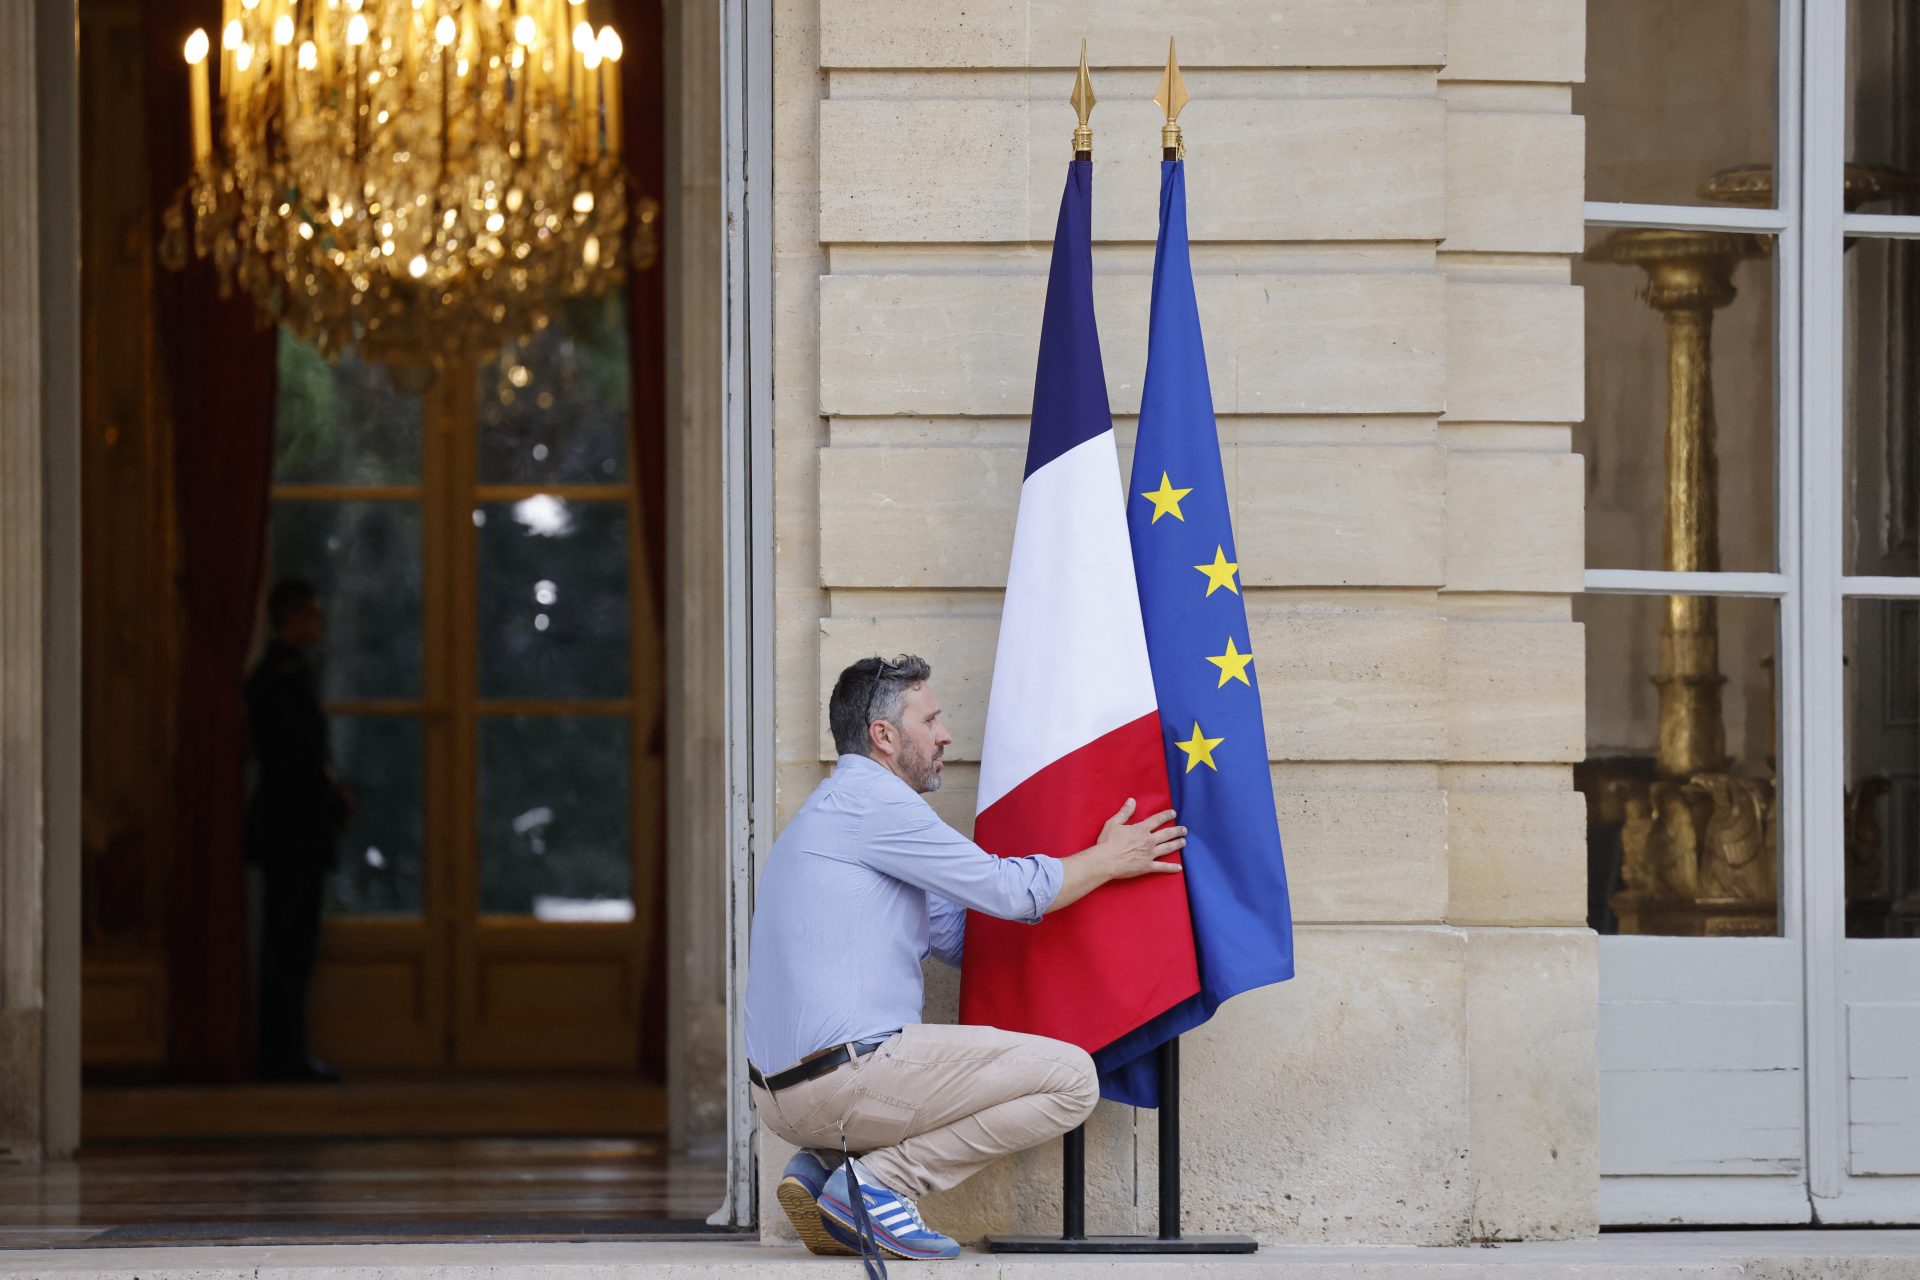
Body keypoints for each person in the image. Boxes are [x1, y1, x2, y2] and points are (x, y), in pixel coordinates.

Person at [745, 654, 1187, 1261]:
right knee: (1071, 1080)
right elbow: (1009, 892)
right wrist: (1109, 859)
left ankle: (824, 1167)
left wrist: (1096, 932)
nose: (946, 734)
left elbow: (962, 938)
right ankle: (876, 1184)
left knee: (1018, 1063)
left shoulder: (837, 811)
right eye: (931, 720)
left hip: (783, 1098)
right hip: (845, 1080)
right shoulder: (880, 806)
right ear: (884, 736)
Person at [244, 578, 352, 1084]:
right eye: (311, 613)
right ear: (291, 617)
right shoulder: (281, 678)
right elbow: (297, 758)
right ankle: (283, 1056)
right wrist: (327, 795)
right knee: (290, 944)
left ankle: (284, 1052)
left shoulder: (278, 675)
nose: (318, 622)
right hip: (294, 828)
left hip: (290, 826)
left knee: (290, 944)